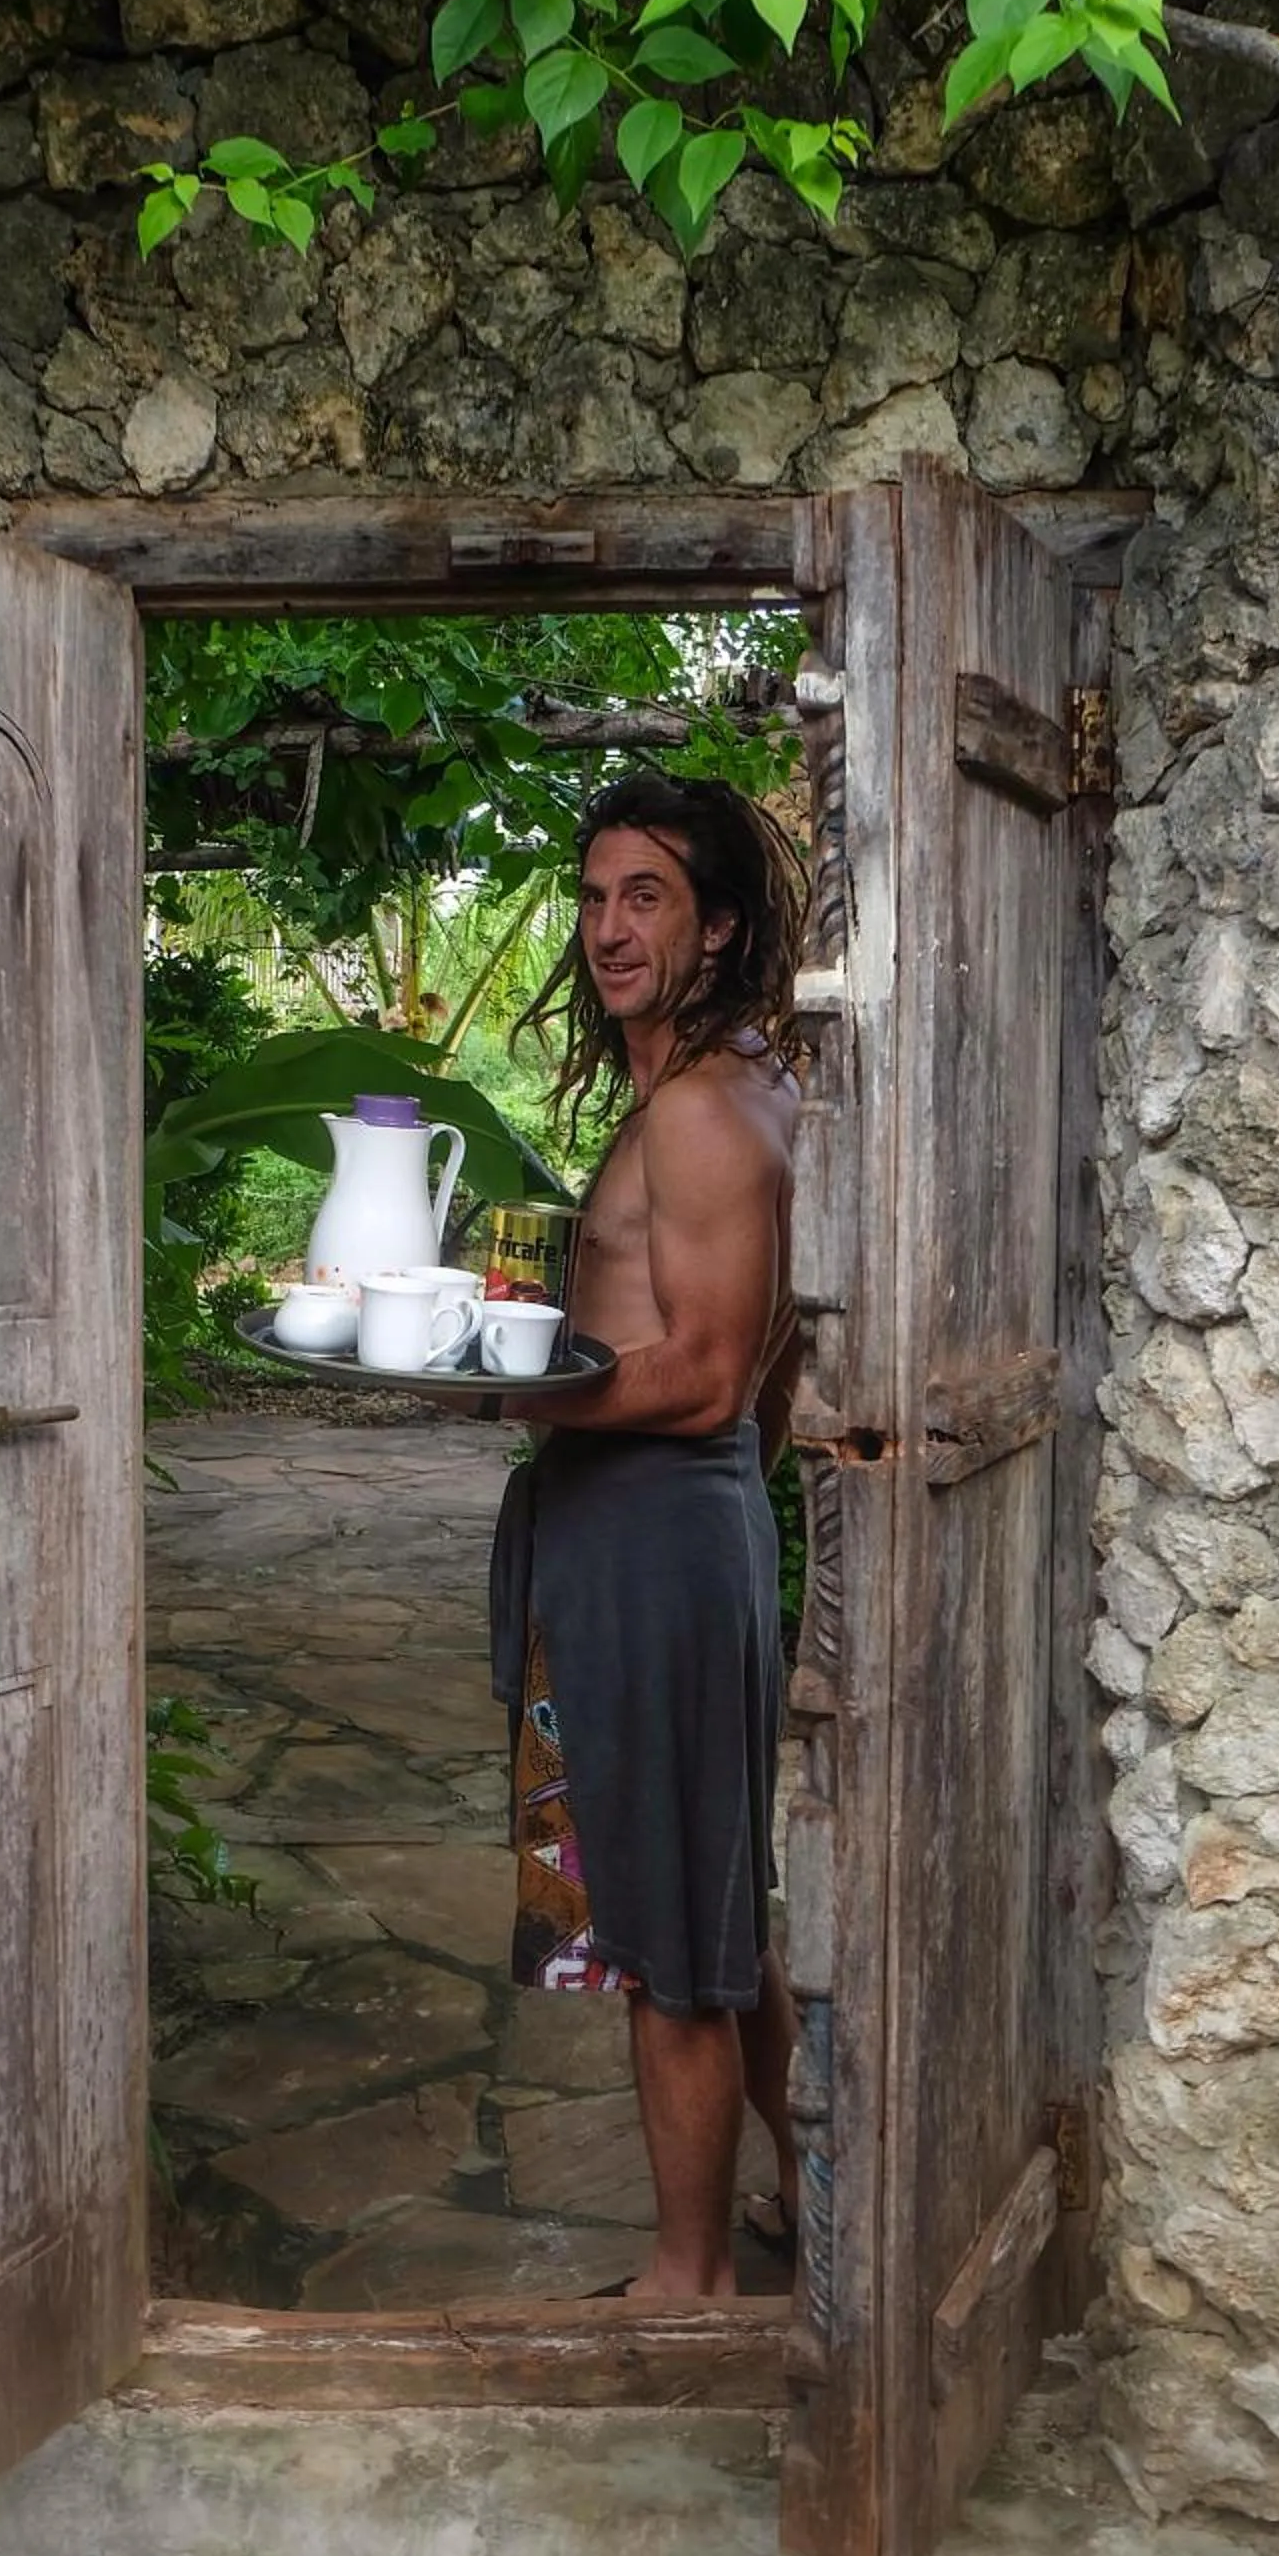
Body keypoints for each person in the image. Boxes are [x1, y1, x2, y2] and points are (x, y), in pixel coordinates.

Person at [488, 767, 805, 2300]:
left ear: (719, 924)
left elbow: (707, 1373)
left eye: (649, 898)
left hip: (663, 1548)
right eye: (597, 896)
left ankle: (690, 2281)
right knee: (710, 1908)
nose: (610, 928)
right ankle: (815, 2197)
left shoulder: (700, 1115)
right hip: (653, 1544)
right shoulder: (710, 1086)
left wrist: (510, 1393)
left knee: (667, 1927)